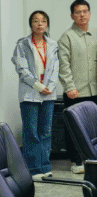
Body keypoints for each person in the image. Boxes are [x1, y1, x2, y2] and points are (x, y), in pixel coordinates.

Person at [58, 0, 97, 174]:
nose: (82, 15)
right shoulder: (67, 37)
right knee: (74, 128)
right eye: (78, 12)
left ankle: (90, 158)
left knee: (92, 127)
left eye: (85, 11)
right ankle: (76, 161)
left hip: (94, 90)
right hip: (75, 91)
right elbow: (64, 65)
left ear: (89, 14)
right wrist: (69, 86)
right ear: (72, 15)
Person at [12, 11, 58, 178]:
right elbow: (22, 69)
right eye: (36, 21)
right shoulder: (22, 44)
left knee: (45, 131)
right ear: (31, 24)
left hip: (48, 93)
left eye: (43, 21)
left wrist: (49, 86)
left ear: (47, 24)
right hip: (30, 92)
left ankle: (45, 167)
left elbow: (55, 68)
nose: (40, 24)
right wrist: (39, 86)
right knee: (31, 132)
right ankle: (33, 169)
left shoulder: (52, 44)